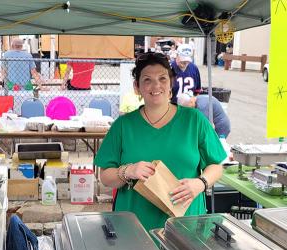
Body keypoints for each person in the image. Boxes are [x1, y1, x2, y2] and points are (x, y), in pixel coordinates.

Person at [94, 52, 226, 231]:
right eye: (147, 79)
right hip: (135, 226)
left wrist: (200, 183)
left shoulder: (194, 120)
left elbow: (216, 166)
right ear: (137, 87)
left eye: (162, 78)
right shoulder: (123, 126)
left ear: (171, 84)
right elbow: (105, 177)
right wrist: (128, 170)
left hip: (186, 223)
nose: (156, 85)